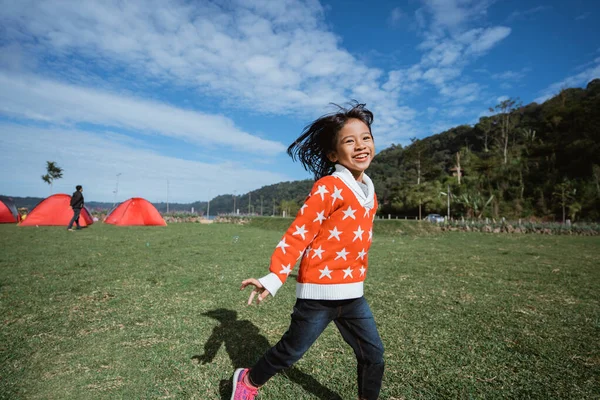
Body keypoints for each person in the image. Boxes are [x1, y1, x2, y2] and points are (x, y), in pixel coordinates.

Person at [232, 102, 384, 400]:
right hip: (318, 295)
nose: (361, 145)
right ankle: (248, 381)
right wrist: (275, 277)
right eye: (349, 141)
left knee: (374, 355)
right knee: (290, 352)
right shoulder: (329, 187)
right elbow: (300, 233)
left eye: (366, 137)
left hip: (353, 295)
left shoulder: (370, 192)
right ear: (333, 154)